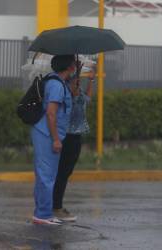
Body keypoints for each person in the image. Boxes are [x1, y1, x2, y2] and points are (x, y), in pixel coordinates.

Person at [31, 55, 75, 225]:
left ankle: (43, 212)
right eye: (74, 64)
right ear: (69, 67)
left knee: (46, 175)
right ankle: (42, 215)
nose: (75, 67)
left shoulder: (58, 83)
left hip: (47, 132)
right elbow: (51, 113)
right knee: (46, 176)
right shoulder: (56, 85)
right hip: (47, 134)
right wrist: (56, 139)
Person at [53, 66, 95, 222]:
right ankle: (56, 207)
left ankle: (56, 205)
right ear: (68, 84)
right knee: (62, 173)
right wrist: (73, 91)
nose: (79, 84)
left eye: (79, 82)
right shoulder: (66, 98)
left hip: (77, 137)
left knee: (66, 173)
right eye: (76, 82)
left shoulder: (79, 95)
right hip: (67, 138)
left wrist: (91, 80)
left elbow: (88, 99)